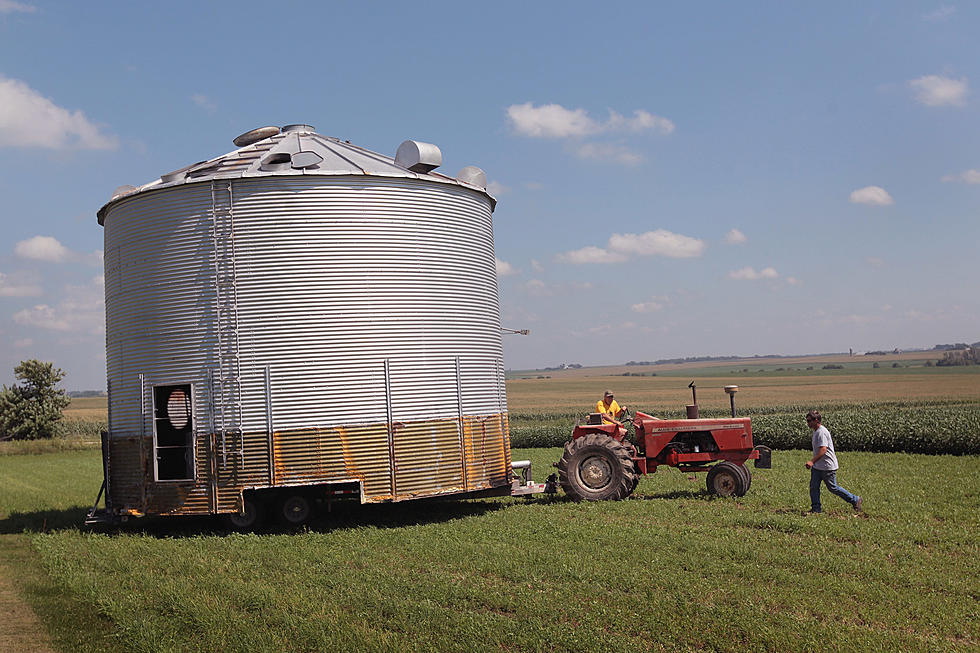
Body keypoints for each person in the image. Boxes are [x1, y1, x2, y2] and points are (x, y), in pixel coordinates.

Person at [805, 409, 863, 513]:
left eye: (810, 421)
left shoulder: (821, 432)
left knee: (833, 488)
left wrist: (812, 461)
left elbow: (823, 449)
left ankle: (855, 499)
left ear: (817, 420)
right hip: (818, 467)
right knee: (814, 487)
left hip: (827, 467)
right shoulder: (816, 431)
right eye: (807, 421)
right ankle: (816, 509)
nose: (808, 423)